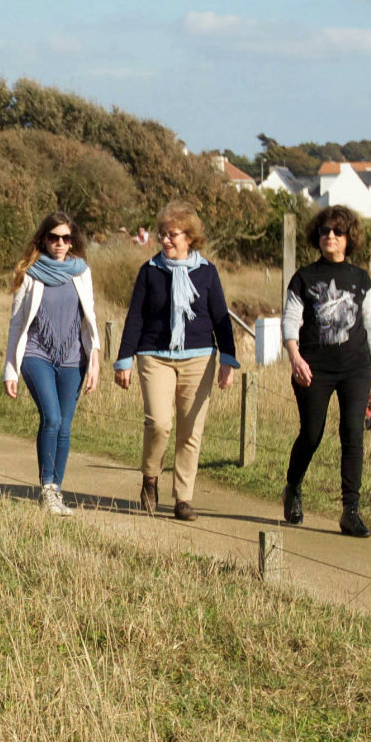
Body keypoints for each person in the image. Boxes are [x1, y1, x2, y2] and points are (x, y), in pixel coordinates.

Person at [113, 202, 238, 519]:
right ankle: (150, 477)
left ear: (190, 237)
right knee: (159, 423)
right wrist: (124, 359)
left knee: (190, 430)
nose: (165, 240)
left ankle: (183, 498)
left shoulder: (207, 272)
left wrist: (229, 359)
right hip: (155, 356)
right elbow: (135, 319)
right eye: (163, 234)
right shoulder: (150, 271)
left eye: (172, 235)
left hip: (199, 357)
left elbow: (220, 317)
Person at [281, 206, 371, 537]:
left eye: (338, 232)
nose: (330, 236)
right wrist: (295, 357)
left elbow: (370, 324)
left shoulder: (360, 279)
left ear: (348, 238)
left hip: (356, 368)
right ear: (318, 235)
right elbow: (289, 321)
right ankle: (293, 487)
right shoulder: (304, 277)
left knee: (353, 434)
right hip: (314, 368)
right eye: (325, 230)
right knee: (312, 433)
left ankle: (350, 511)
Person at [2, 212, 101, 514]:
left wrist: (95, 360)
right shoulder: (30, 272)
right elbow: (17, 324)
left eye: (66, 238)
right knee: (53, 419)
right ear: (43, 239)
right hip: (36, 355)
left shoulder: (81, 271)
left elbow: (90, 318)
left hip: (73, 358)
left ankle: (56, 490)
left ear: (73, 241)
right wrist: (10, 368)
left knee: (66, 427)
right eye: (54, 238)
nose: (60, 244)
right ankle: (47, 488)